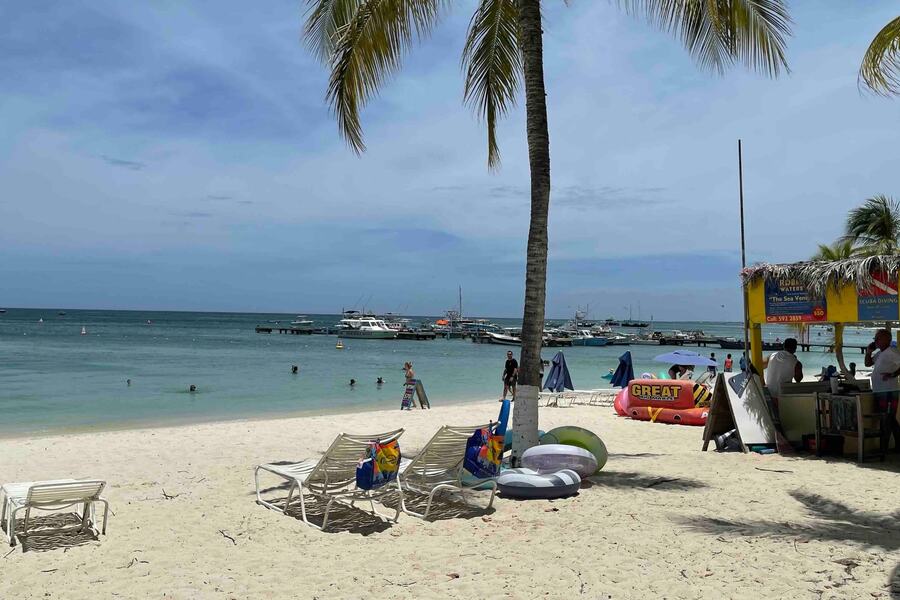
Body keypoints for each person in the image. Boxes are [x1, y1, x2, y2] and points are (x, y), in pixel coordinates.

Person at [864, 329, 900, 450]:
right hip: (879, 390)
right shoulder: (880, 353)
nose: (875, 341)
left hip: (889, 391)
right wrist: (868, 352)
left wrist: (893, 375)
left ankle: (884, 447)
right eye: (875, 339)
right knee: (888, 418)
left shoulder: (892, 352)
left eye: (878, 338)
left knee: (888, 418)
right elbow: (868, 364)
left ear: (886, 339)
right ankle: (894, 446)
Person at [763, 337, 803, 403]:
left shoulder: (772, 356)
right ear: (795, 349)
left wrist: (763, 383)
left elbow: (760, 365)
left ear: (784, 346)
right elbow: (798, 379)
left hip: (769, 394)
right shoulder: (796, 363)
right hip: (784, 396)